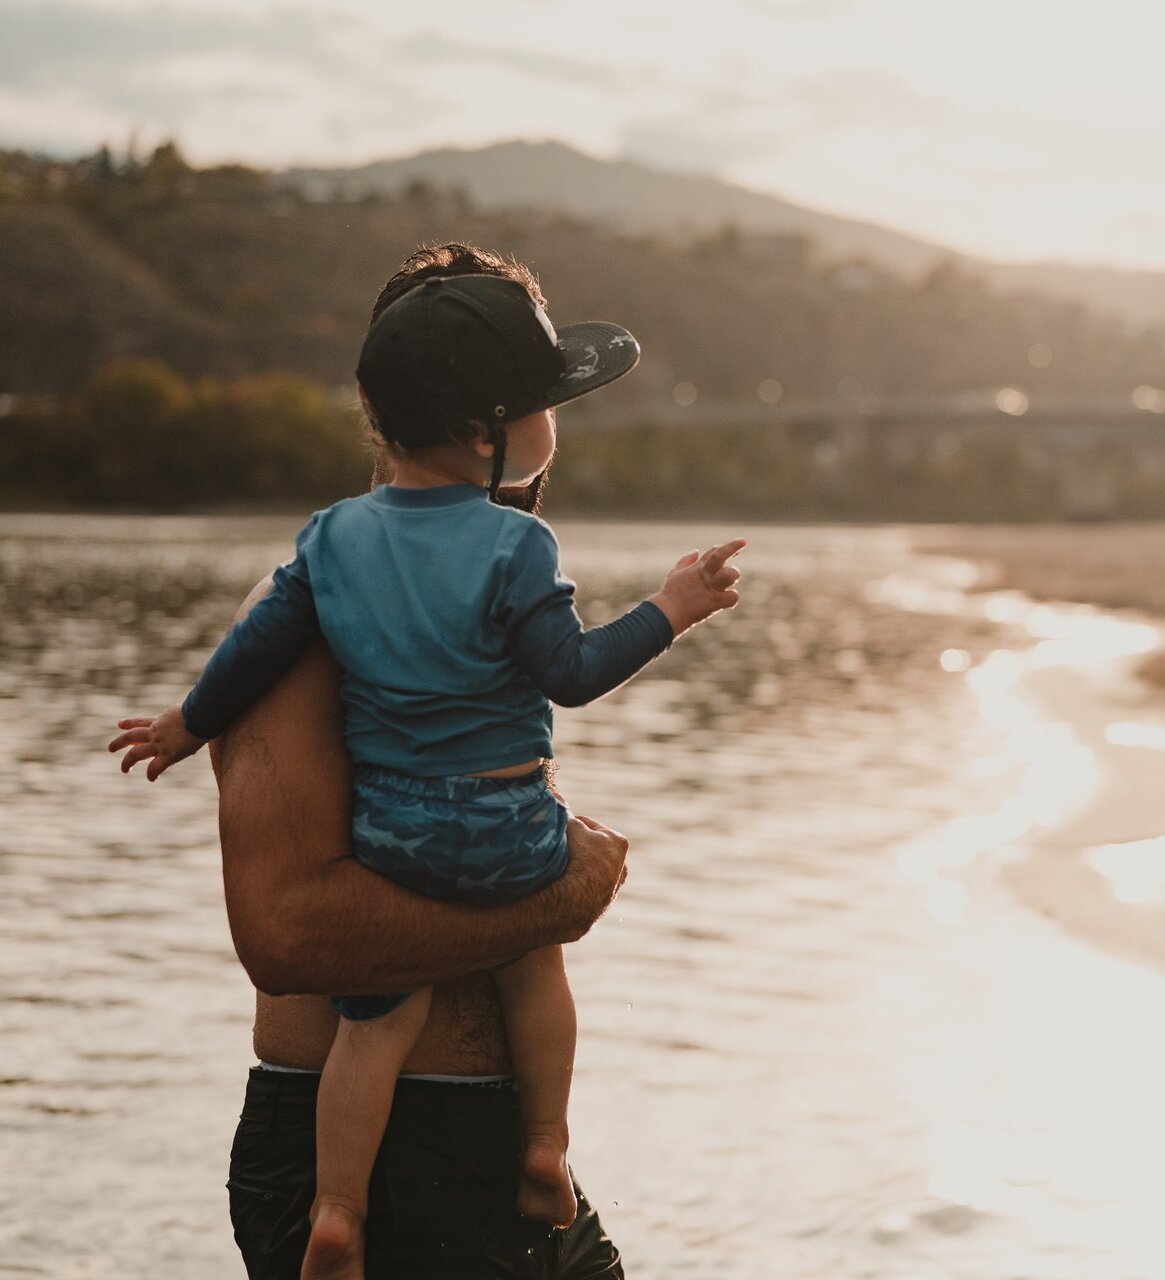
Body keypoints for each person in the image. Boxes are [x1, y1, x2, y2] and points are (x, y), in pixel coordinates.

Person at [112, 243, 744, 1278]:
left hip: (465, 1148)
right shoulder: (307, 618)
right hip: (400, 1158)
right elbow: (285, 933)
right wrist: (562, 894)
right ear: (467, 420)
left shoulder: (466, 579)